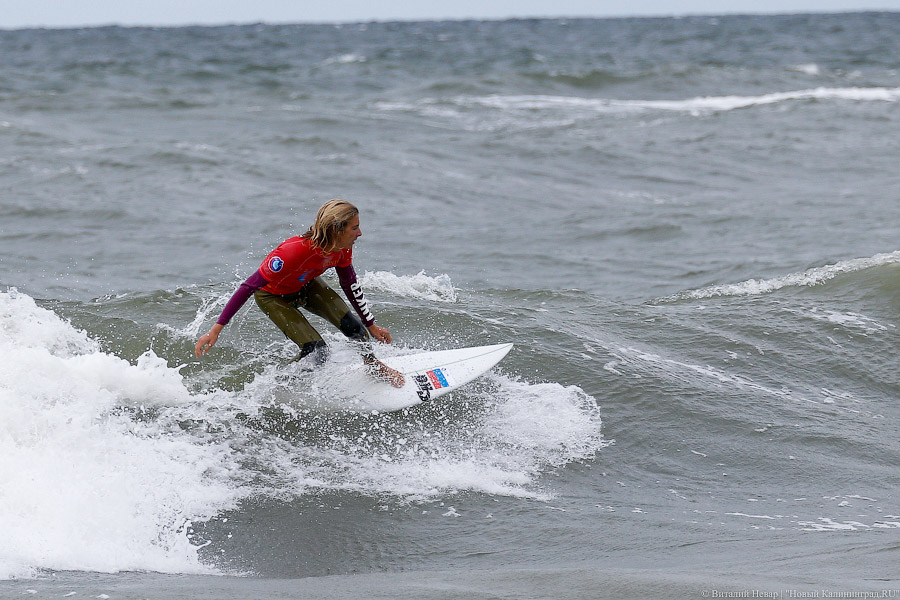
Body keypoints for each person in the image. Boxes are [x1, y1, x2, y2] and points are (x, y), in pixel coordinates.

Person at [194, 199, 404, 387]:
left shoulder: (342, 248)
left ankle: (374, 367)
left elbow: (350, 284)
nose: (359, 233)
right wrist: (216, 330)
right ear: (337, 230)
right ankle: (280, 385)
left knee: (356, 330)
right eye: (354, 228)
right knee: (317, 352)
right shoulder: (291, 252)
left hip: (307, 285)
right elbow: (249, 286)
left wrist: (370, 324)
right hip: (273, 297)